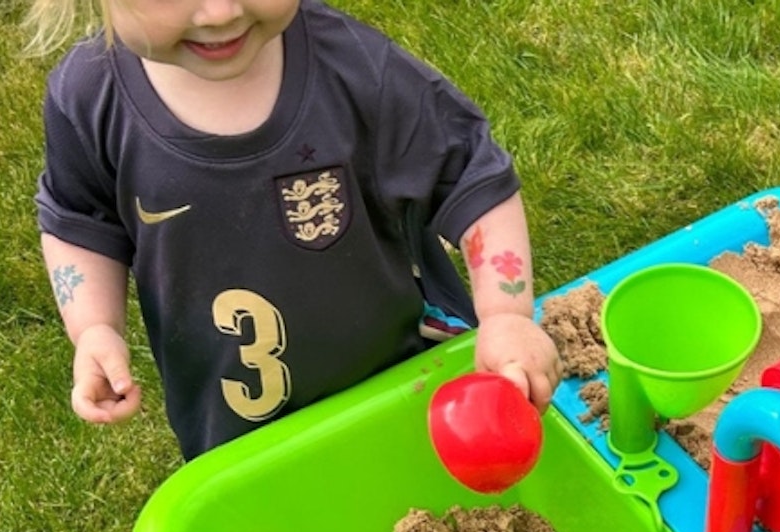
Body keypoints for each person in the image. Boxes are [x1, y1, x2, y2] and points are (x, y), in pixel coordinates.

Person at [29, 0, 562, 460]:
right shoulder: (88, 99)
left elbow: (474, 176)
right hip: (238, 422)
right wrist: (94, 327)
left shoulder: (355, 69)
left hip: (408, 381)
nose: (222, 13)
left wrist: (506, 315)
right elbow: (80, 222)